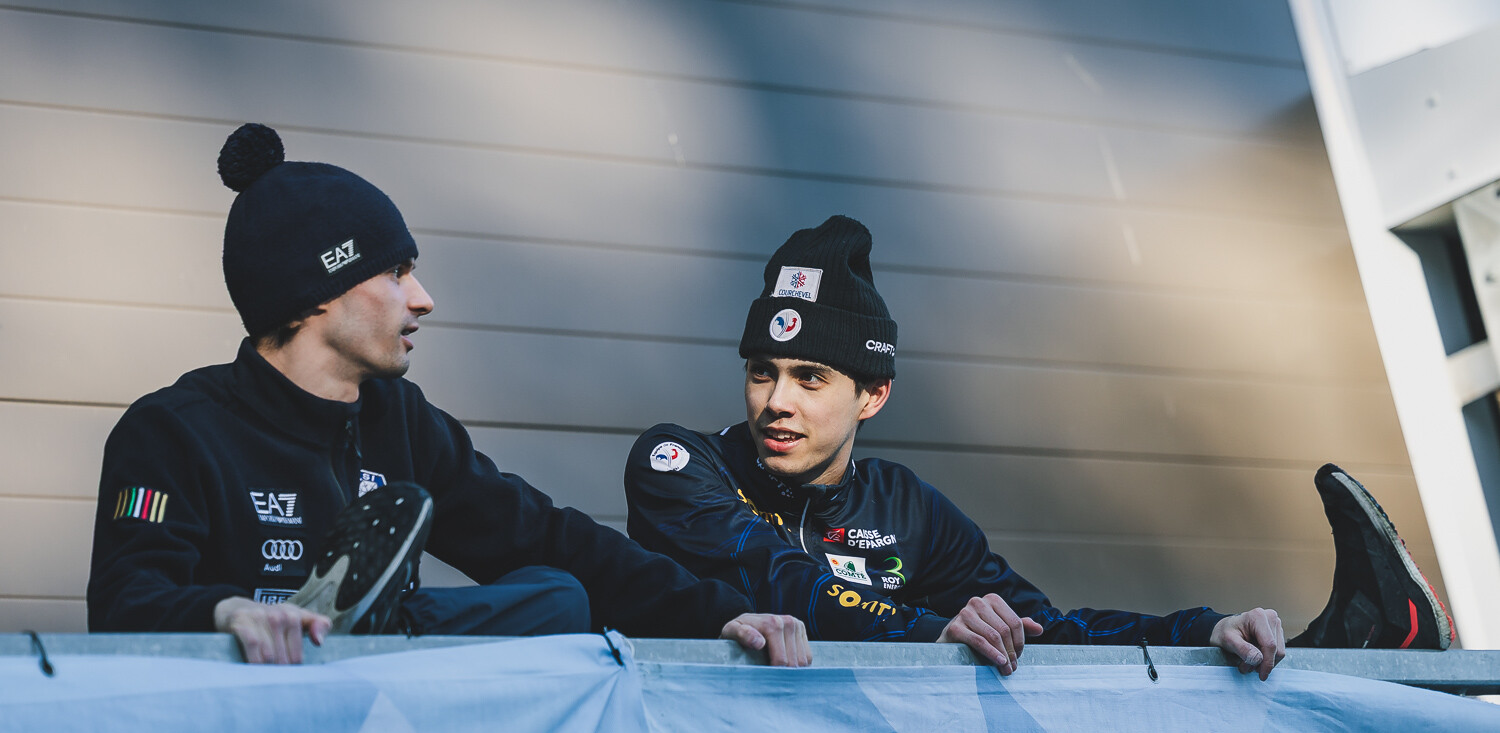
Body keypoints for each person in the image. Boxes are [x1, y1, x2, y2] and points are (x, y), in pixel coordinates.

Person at [87, 123, 810, 667]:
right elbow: (126, 600)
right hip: (241, 707)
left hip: (385, 710)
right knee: (550, 598)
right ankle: (336, 635)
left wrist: (718, 616)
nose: (423, 298)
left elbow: (545, 534)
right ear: (315, 292)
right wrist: (228, 613)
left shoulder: (398, 420)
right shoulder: (173, 430)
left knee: (555, 592)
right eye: (396, 272)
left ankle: (361, 635)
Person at [624, 216, 1454, 677]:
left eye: (810, 378)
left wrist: (1206, 630)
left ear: (873, 395)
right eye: (761, 372)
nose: (775, 401)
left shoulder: (907, 508)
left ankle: (1353, 649)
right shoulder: (678, 465)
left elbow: (1049, 632)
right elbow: (776, 576)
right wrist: (933, 631)